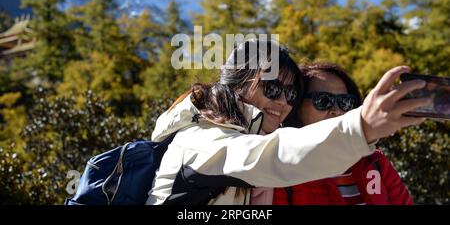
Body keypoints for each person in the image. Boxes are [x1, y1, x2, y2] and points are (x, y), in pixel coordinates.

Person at [146, 39, 429, 205]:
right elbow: (273, 156)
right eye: (271, 87)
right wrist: (362, 125)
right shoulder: (202, 138)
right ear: (238, 84)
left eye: (291, 92)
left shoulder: (375, 164)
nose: (283, 100)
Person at [271, 62, 413, 205]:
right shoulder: (280, 169)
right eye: (323, 100)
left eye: (345, 102)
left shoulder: (375, 161)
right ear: (297, 106)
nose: (337, 110)